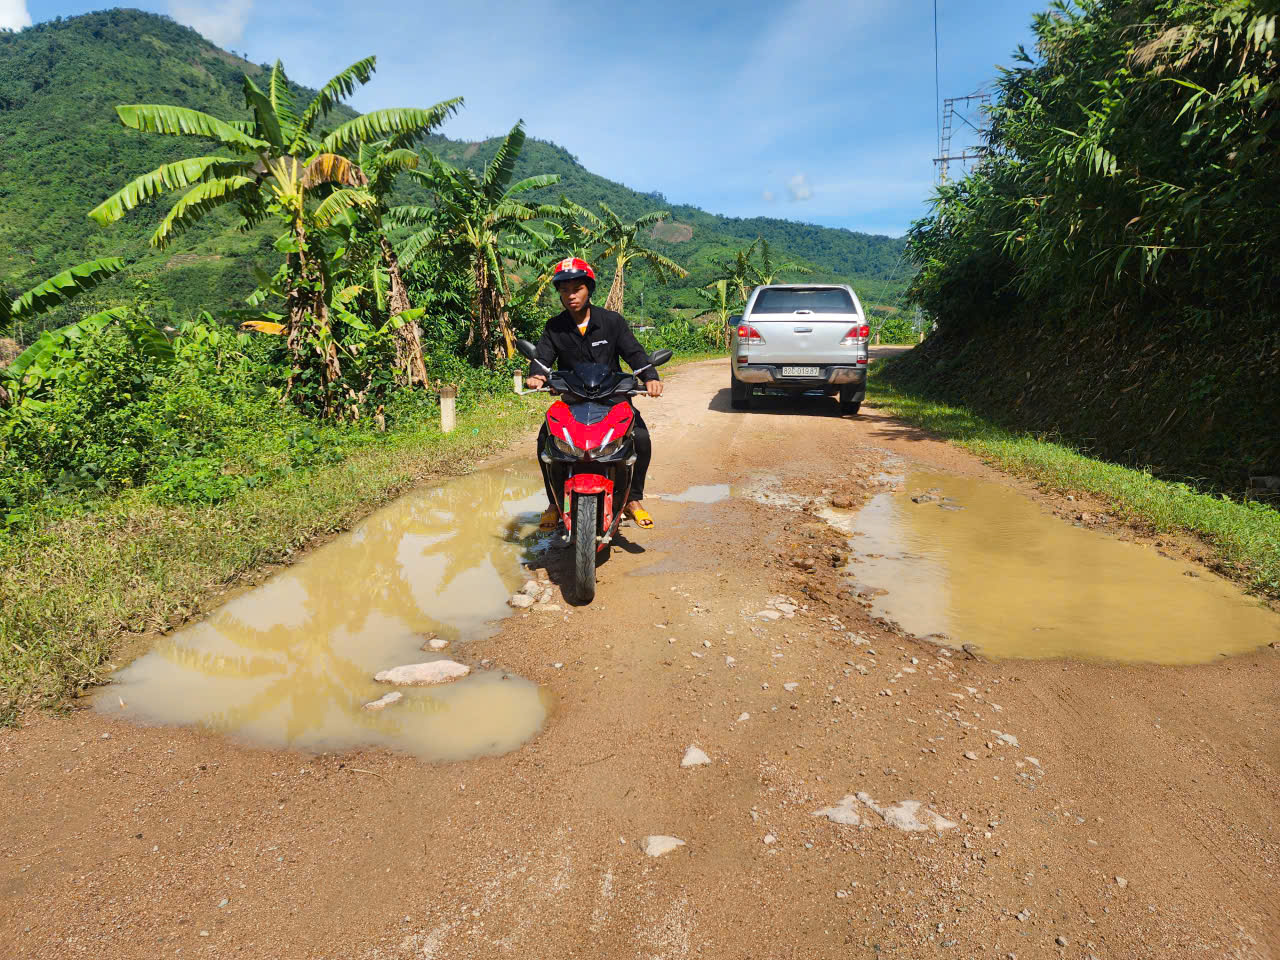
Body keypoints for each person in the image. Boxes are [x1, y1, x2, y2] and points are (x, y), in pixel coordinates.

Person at [525, 256, 663, 531]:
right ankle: (554, 502)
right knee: (545, 441)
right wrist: (537, 376)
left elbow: (634, 352)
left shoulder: (612, 322)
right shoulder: (554, 327)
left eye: (576, 289)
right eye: (564, 290)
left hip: (612, 397)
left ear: (589, 289)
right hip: (573, 398)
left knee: (642, 438)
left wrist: (650, 376)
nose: (570, 295)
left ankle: (634, 499)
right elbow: (542, 359)